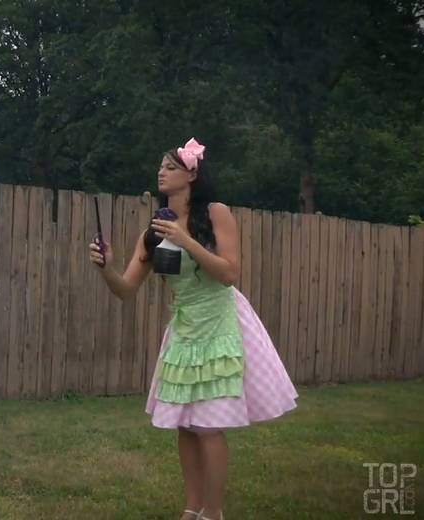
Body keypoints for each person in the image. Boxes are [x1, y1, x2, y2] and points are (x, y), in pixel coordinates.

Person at [89, 138, 298, 520]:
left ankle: (213, 513)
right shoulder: (153, 231)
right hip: (184, 332)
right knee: (185, 427)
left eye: (170, 167)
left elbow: (229, 274)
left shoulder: (215, 213)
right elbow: (125, 290)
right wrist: (107, 268)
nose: (161, 172)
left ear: (192, 175)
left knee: (208, 427)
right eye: (160, 166)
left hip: (220, 324)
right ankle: (192, 508)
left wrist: (185, 240)